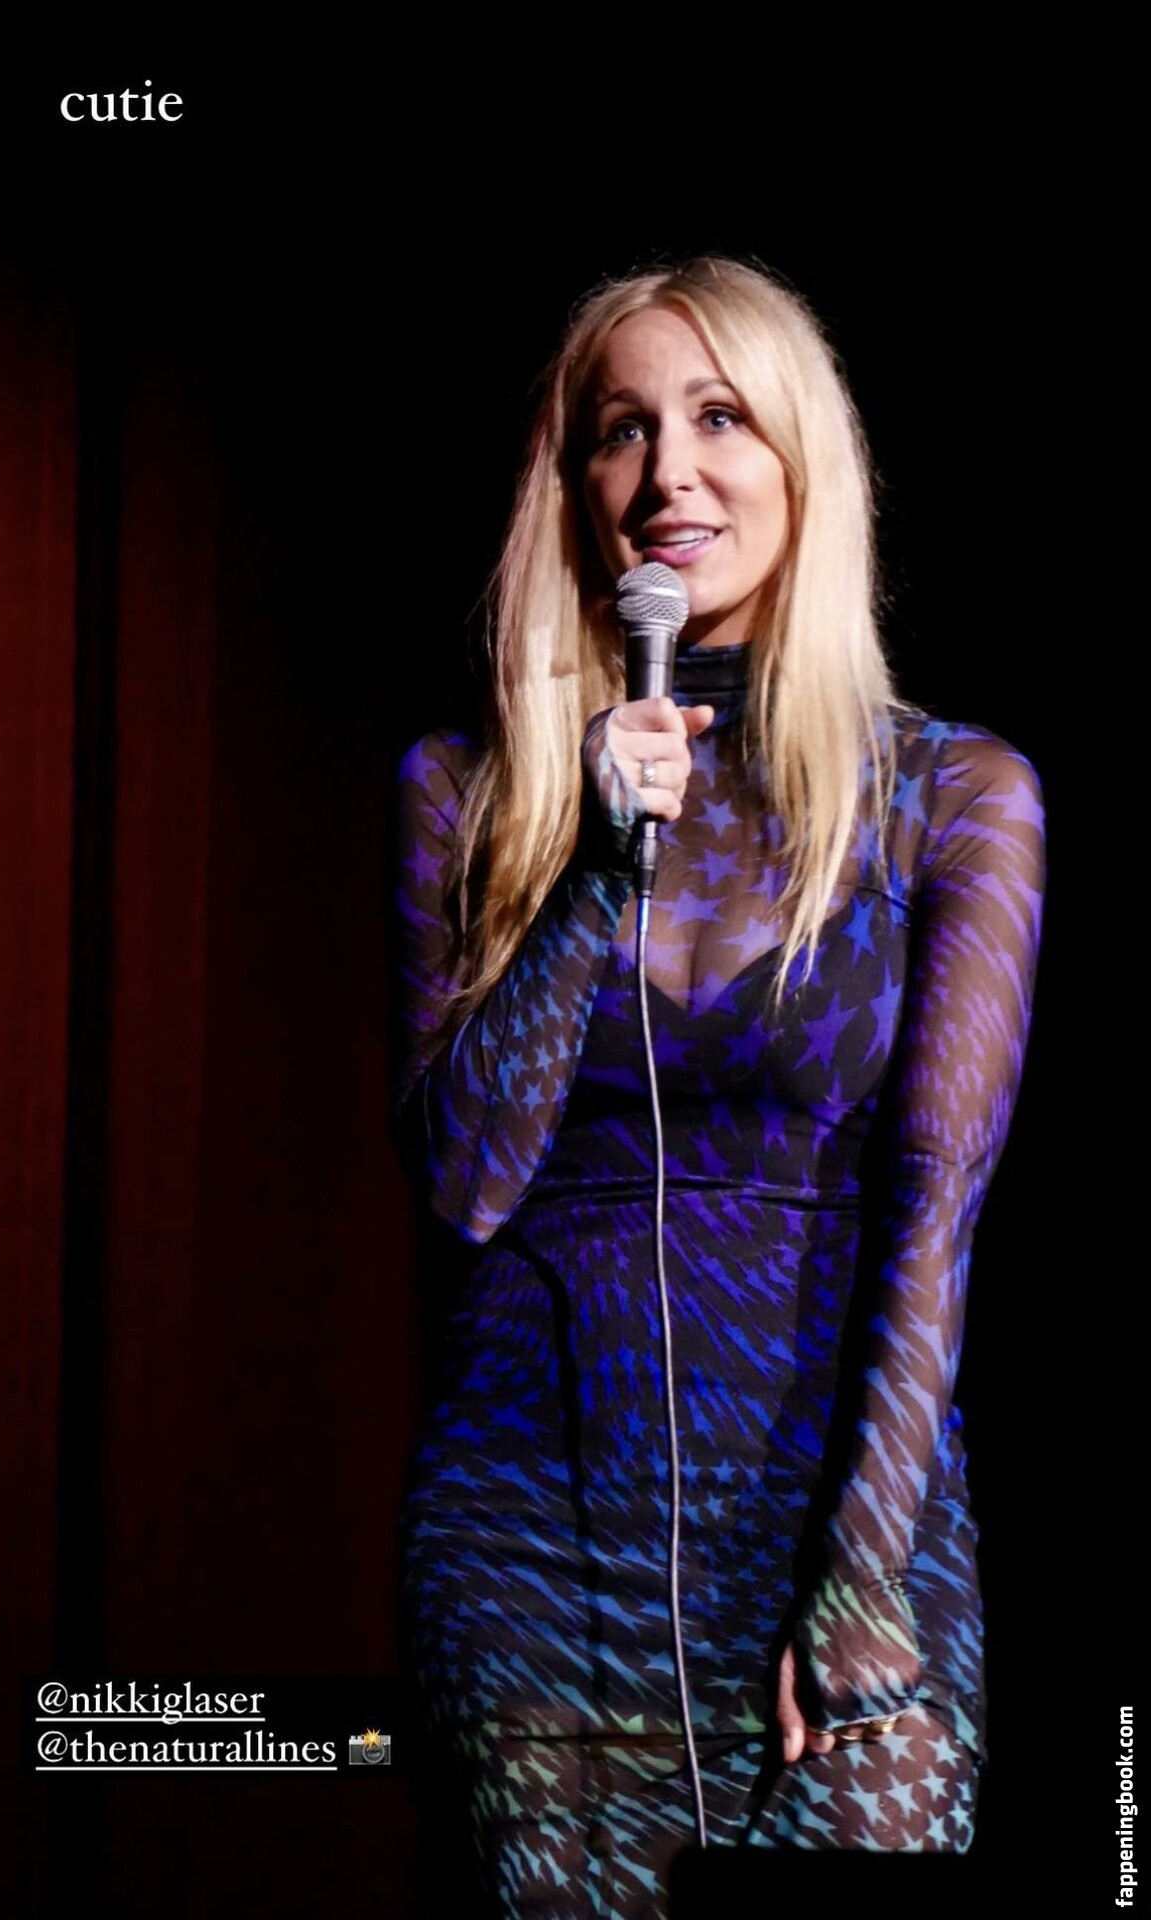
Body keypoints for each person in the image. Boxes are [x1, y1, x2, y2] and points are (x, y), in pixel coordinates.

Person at [391, 255, 1044, 1916]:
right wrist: (592, 875)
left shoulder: (951, 794)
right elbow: (461, 1185)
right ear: (572, 488)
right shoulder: (467, 791)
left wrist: (865, 1564)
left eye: (720, 418)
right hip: (533, 1529)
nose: (668, 472)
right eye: (620, 430)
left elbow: (938, 1211)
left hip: (836, 1494)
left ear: (803, 462)